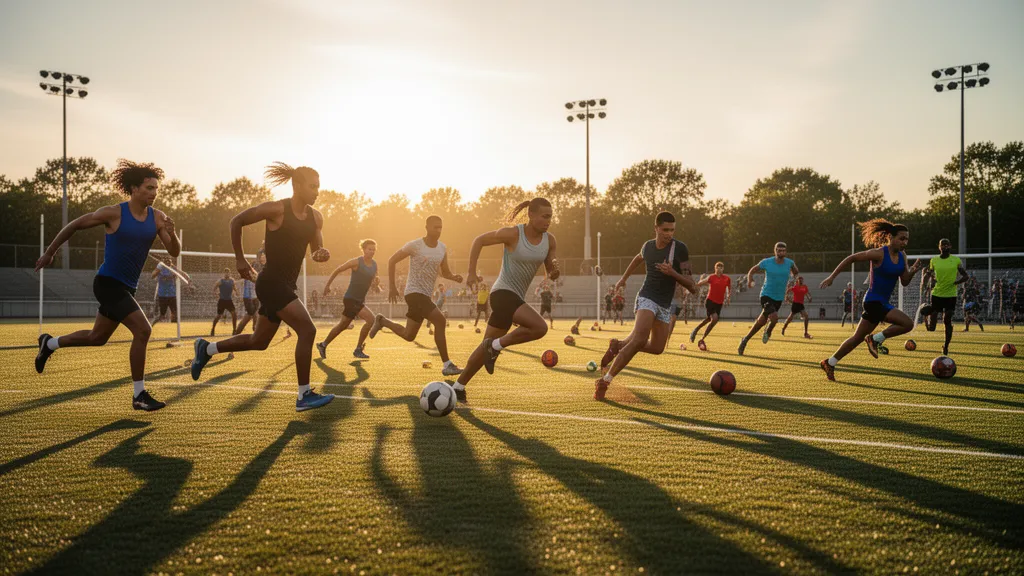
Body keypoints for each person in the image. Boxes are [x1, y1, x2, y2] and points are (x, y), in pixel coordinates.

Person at [34, 159, 179, 411]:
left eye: (156, 188)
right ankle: (139, 395)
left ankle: (49, 343)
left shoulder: (158, 218)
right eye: (149, 188)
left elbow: (174, 252)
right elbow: (75, 225)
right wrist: (49, 252)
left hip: (126, 287)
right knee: (143, 331)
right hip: (108, 284)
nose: (154, 193)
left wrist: (172, 232)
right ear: (134, 189)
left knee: (97, 337)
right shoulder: (114, 213)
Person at [190, 161, 335, 412]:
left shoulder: (316, 218)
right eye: (312, 186)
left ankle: (208, 348)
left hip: (286, 285)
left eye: (318, 186)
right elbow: (236, 221)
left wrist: (321, 254)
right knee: (308, 330)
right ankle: (304, 395)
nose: (317, 191)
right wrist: (239, 258)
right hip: (271, 283)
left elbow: (316, 250)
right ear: (297, 185)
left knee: (259, 341)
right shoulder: (276, 209)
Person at [451, 198, 558, 402]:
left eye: (551, 217)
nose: (548, 221)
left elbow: (550, 268)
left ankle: (458, 387)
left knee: (484, 346)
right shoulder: (513, 234)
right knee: (540, 328)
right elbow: (479, 240)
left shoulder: (550, 240)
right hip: (502, 293)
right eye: (544, 216)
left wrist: (554, 271)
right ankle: (496, 346)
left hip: (515, 297)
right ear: (531, 215)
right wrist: (471, 272)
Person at [596, 212, 697, 400]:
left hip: (664, 305)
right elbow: (637, 258)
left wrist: (672, 273)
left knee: (658, 348)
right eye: (665, 230)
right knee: (639, 338)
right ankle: (605, 381)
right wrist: (623, 279)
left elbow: (691, 285)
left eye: (672, 230)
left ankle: (617, 345)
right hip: (646, 297)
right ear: (656, 228)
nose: (669, 234)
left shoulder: (681, 249)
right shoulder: (648, 247)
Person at [819, 218, 923, 381]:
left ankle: (830, 362)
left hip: (882, 302)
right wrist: (832, 277)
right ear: (891, 237)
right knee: (907, 324)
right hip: (873, 300)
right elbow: (851, 258)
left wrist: (913, 271)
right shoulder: (879, 253)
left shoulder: (903, 256)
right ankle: (874, 339)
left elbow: (904, 281)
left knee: (856, 339)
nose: (905, 242)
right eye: (901, 238)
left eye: (907, 239)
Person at [368, 216, 465, 377]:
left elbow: (445, 272)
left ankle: (381, 321)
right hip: (414, 293)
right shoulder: (415, 245)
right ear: (426, 227)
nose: (438, 230)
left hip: (425, 295)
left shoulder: (442, 248)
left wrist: (454, 277)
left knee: (409, 335)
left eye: (441, 227)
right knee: (440, 320)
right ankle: (447, 365)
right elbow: (391, 260)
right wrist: (392, 286)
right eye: (435, 227)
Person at [317, 239, 380, 360]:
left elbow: (374, 278)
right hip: (351, 298)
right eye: (369, 249)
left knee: (342, 325)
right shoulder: (356, 262)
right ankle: (358, 349)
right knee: (371, 320)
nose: (372, 251)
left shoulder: (374, 264)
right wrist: (327, 286)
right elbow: (338, 270)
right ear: (363, 249)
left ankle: (322, 345)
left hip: (359, 300)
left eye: (374, 249)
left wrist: (376, 285)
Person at [738, 242, 799, 355]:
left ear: (786, 251)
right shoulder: (767, 262)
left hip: (778, 297)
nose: (781, 252)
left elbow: (796, 272)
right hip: (766, 294)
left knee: (761, 321)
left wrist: (794, 279)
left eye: (783, 250)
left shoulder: (790, 263)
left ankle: (745, 340)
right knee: (774, 317)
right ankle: (769, 331)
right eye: (779, 250)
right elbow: (752, 269)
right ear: (775, 251)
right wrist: (750, 280)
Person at [922, 238, 969, 355]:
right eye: (942, 245)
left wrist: (956, 283)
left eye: (947, 245)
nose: (945, 247)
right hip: (937, 294)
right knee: (932, 328)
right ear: (939, 247)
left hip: (951, 295)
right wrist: (924, 282)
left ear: (950, 246)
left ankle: (946, 346)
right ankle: (926, 317)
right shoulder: (934, 260)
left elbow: (965, 276)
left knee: (947, 319)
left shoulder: (956, 260)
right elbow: (928, 274)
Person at [688, 261, 731, 351]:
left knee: (710, 320)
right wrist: (694, 284)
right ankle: (698, 334)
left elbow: (729, 289)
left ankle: (698, 334)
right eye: (717, 267)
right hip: (710, 301)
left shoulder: (727, 279)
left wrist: (728, 297)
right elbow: (701, 282)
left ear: (723, 269)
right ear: (715, 269)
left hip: (719, 303)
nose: (719, 269)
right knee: (714, 318)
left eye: (721, 268)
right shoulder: (711, 277)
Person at [211, 268, 238, 336]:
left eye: (228, 272)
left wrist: (237, 293)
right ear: (224, 273)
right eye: (225, 272)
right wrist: (216, 294)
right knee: (219, 316)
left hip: (229, 301)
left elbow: (235, 288)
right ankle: (213, 329)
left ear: (230, 273)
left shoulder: (232, 281)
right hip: (222, 301)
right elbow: (214, 288)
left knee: (234, 314)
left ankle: (234, 330)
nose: (227, 274)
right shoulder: (220, 281)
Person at [150, 259, 178, 325]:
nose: (168, 263)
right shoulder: (160, 270)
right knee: (161, 315)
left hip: (172, 295)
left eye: (169, 262)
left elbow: (178, 276)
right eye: (167, 262)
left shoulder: (173, 270)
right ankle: (151, 325)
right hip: (162, 295)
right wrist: (158, 268)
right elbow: (152, 276)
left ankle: (173, 326)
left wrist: (175, 274)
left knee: (175, 314)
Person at [234, 260, 259, 334]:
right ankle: (237, 331)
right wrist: (238, 293)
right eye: (253, 267)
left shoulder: (257, 275)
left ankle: (255, 329)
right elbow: (239, 282)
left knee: (255, 315)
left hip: (256, 298)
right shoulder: (246, 275)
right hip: (248, 298)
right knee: (249, 315)